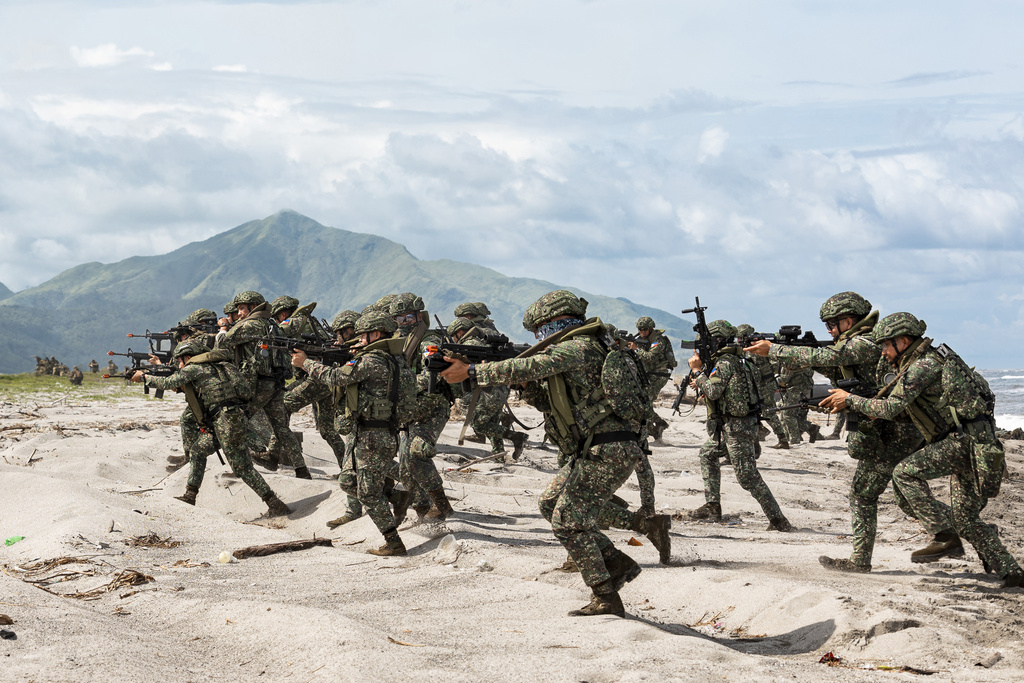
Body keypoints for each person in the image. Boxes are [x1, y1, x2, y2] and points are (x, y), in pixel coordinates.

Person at [440, 290, 646, 617]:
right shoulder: (589, 347)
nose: (538, 338)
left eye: (539, 331)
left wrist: (474, 372)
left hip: (609, 446)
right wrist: (524, 386)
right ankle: (616, 561)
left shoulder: (579, 347)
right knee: (550, 503)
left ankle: (606, 595)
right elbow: (548, 398)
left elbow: (534, 364)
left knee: (567, 518)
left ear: (553, 323)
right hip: (593, 447)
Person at [821, 313, 1024, 587]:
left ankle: (944, 537)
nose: (882, 351)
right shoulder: (927, 361)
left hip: (963, 442)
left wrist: (851, 400)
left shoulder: (922, 367)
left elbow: (892, 407)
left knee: (904, 473)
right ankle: (1012, 573)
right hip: (976, 444)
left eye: (885, 345)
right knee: (965, 519)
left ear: (903, 341)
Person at [746, 292, 941, 573]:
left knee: (864, 494)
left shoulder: (864, 342)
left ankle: (861, 561)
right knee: (907, 501)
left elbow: (827, 355)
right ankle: (970, 529)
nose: (829, 331)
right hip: (892, 427)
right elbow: (825, 361)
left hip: (895, 429)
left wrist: (774, 350)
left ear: (848, 320)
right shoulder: (858, 344)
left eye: (831, 325)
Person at [293, 311, 416, 556]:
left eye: (363, 335)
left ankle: (394, 543)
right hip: (367, 432)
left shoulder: (372, 361)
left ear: (376, 334)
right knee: (348, 481)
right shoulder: (391, 358)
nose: (359, 339)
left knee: (368, 495)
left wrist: (305, 363)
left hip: (374, 435)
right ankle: (395, 495)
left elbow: (336, 377)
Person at [132, 339, 291, 517]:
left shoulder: (194, 368)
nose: (179, 364)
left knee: (243, 469)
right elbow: (245, 392)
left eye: (180, 361)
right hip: (230, 419)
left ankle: (275, 503)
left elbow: (168, 383)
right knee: (198, 451)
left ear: (189, 357)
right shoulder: (226, 367)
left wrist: (144, 378)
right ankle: (190, 495)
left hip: (224, 422)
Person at [686, 320, 792, 532]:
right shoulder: (742, 361)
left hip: (736, 427)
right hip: (737, 425)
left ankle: (779, 520)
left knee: (747, 477)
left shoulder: (725, 364)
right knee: (707, 454)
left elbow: (715, 392)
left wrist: (698, 374)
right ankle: (712, 506)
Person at [220, 291, 309, 479]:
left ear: (253, 307)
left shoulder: (249, 325)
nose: (240, 313)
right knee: (281, 428)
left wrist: (222, 329)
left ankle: (246, 464)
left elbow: (224, 343)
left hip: (257, 384)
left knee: (237, 422)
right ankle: (301, 470)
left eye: (242, 308)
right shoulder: (271, 324)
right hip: (276, 383)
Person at [391, 293, 453, 520]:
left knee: (417, 454)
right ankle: (421, 507)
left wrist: (398, 387)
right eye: (400, 319)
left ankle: (442, 505)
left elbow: (431, 376)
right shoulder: (398, 339)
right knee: (405, 464)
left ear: (419, 315)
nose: (405, 323)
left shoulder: (429, 339)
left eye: (409, 317)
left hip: (432, 406)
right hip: (410, 408)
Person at [446, 317, 527, 461]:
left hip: (492, 390)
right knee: (492, 423)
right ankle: (499, 456)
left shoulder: (469, 344)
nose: (454, 339)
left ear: (460, 332)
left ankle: (516, 437)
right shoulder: (479, 341)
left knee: (479, 424)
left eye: (454, 336)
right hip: (499, 389)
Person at [736, 324, 789, 449]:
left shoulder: (755, 351)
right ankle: (762, 431)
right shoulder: (755, 349)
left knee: (768, 411)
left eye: (740, 338)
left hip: (765, 385)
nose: (738, 341)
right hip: (762, 385)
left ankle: (783, 439)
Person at [630, 316, 676, 440]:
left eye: (645, 329)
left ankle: (648, 430)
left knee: (645, 401)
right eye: (640, 329)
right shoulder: (640, 339)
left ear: (651, 328)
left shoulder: (658, 340)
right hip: (649, 373)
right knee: (642, 401)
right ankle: (657, 425)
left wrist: (636, 349)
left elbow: (650, 357)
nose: (642, 332)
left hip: (660, 373)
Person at [776, 361, 821, 444]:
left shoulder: (791, 361)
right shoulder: (803, 358)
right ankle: (814, 435)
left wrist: (773, 381)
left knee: (788, 414)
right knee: (799, 414)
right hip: (805, 390)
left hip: (795, 390)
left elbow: (785, 378)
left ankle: (797, 437)